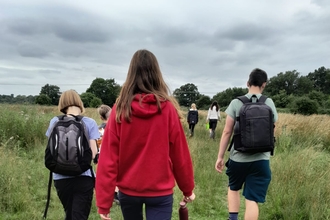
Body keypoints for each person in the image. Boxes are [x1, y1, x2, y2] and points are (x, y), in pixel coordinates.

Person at [95, 49, 196, 220]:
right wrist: (187, 189)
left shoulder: (120, 110)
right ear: (157, 74)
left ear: (131, 74)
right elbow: (180, 154)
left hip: (128, 191)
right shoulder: (168, 109)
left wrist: (104, 202)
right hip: (160, 192)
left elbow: (108, 158)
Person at [215, 68, 278, 220]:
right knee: (252, 199)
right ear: (264, 84)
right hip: (261, 160)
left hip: (238, 158)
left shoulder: (236, 102)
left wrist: (220, 157)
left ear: (247, 83)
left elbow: (227, 132)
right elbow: (272, 128)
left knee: (233, 188)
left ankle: (233, 218)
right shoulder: (269, 102)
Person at [45, 89, 99, 220]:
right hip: (83, 176)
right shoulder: (89, 122)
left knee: (69, 213)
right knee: (79, 215)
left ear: (62, 103)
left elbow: (53, 149)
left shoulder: (54, 121)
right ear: (79, 103)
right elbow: (93, 153)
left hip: (60, 177)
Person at [96, 104, 120, 204]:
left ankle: (109, 195)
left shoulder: (98, 129)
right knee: (117, 174)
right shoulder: (116, 127)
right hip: (114, 154)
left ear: (101, 117)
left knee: (105, 176)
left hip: (100, 156)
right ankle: (117, 194)